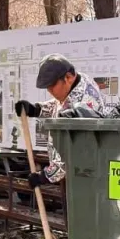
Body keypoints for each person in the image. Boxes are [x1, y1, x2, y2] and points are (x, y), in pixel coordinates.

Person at [14, 54, 106, 188]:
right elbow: (61, 104)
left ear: (68, 77)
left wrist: (45, 176)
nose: (50, 91)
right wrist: (36, 109)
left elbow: (68, 154)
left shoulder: (81, 109)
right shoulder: (78, 81)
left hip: (84, 176)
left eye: (52, 86)